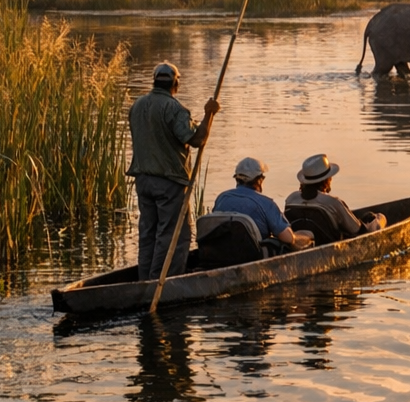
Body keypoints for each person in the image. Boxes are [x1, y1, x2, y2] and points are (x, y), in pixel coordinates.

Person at [128, 61, 220, 281]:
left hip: (143, 180)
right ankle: (163, 283)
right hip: (168, 182)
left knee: (148, 233)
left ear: (155, 81)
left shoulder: (137, 106)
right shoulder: (174, 108)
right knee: (175, 236)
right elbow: (196, 140)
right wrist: (209, 115)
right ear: (175, 83)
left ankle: (144, 280)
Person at [211, 158, 313, 252]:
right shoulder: (266, 203)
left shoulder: (222, 198)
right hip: (250, 255)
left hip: (221, 252)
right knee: (305, 237)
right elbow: (287, 238)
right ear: (259, 180)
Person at [286, 154, 387, 239]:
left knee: (367, 216)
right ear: (326, 180)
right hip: (331, 242)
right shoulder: (333, 202)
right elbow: (358, 230)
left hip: (309, 241)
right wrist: (377, 220)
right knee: (380, 218)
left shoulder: (291, 199)